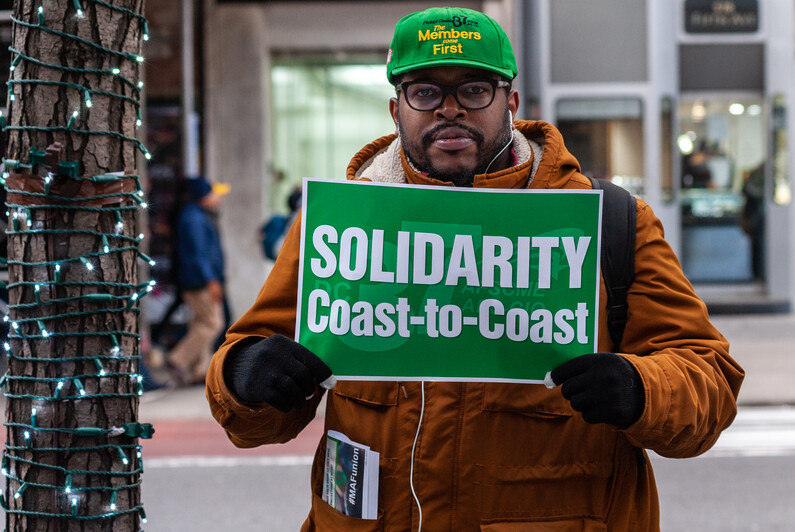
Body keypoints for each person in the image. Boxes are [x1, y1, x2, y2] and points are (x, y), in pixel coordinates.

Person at [206, 7, 744, 531]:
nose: (450, 109)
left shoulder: (609, 222)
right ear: (397, 111)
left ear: (509, 102)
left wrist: (641, 387)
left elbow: (709, 385)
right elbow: (255, 417)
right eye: (425, 92)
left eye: (473, 90)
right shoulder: (340, 226)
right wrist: (244, 375)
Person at [167, 176, 228, 386]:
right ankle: (178, 359)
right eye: (213, 193)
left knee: (200, 322)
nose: (217, 197)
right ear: (202, 195)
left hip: (196, 278)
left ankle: (199, 370)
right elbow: (198, 254)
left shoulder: (194, 216)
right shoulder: (194, 219)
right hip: (200, 281)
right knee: (213, 322)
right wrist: (211, 279)